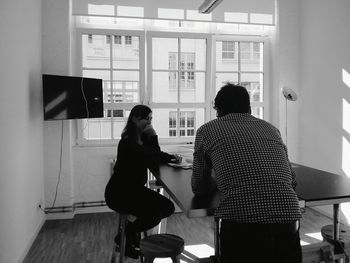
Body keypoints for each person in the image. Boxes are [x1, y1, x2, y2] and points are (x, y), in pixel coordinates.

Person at [191, 83, 302, 263]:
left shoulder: (206, 130)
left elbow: (199, 186)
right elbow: (292, 181)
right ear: (249, 107)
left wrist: (216, 180)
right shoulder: (271, 129)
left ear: (218, 110)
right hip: (288, 217)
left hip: (241, 222)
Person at [105, 104, 181, 259]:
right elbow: (152, 154)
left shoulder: (142, 139)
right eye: (146, 119)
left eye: (151, 119)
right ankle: (126, 235)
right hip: (119, 193)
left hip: (135, 190)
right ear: (134, 119)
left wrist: (172, 157)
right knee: (154, 214)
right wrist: (153, 136)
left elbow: (154, 155)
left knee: (167, 207)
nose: (149, 122)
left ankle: (129, 233)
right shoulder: (127, 142)